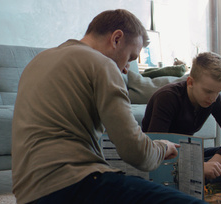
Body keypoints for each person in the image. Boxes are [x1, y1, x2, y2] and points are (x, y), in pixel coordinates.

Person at [11, 9, 204, 204]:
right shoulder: (102, 64)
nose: (127, 69)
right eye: (130, 57)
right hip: (75, 184)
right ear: (116, 39)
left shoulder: (37, 61)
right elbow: (137, 153)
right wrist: (162, 147)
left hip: (28, 195)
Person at [142, 52, 221, 182]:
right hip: (163, 156)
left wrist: (215, 162)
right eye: (208, 91)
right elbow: (156, 147)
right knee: (162, 168)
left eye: (218, 92)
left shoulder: (214, 99)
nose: (213, 98)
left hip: (189, 153)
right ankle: (210, 177)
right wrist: (198, 167)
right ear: (190, 82)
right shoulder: (167, 97)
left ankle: (205, 176)